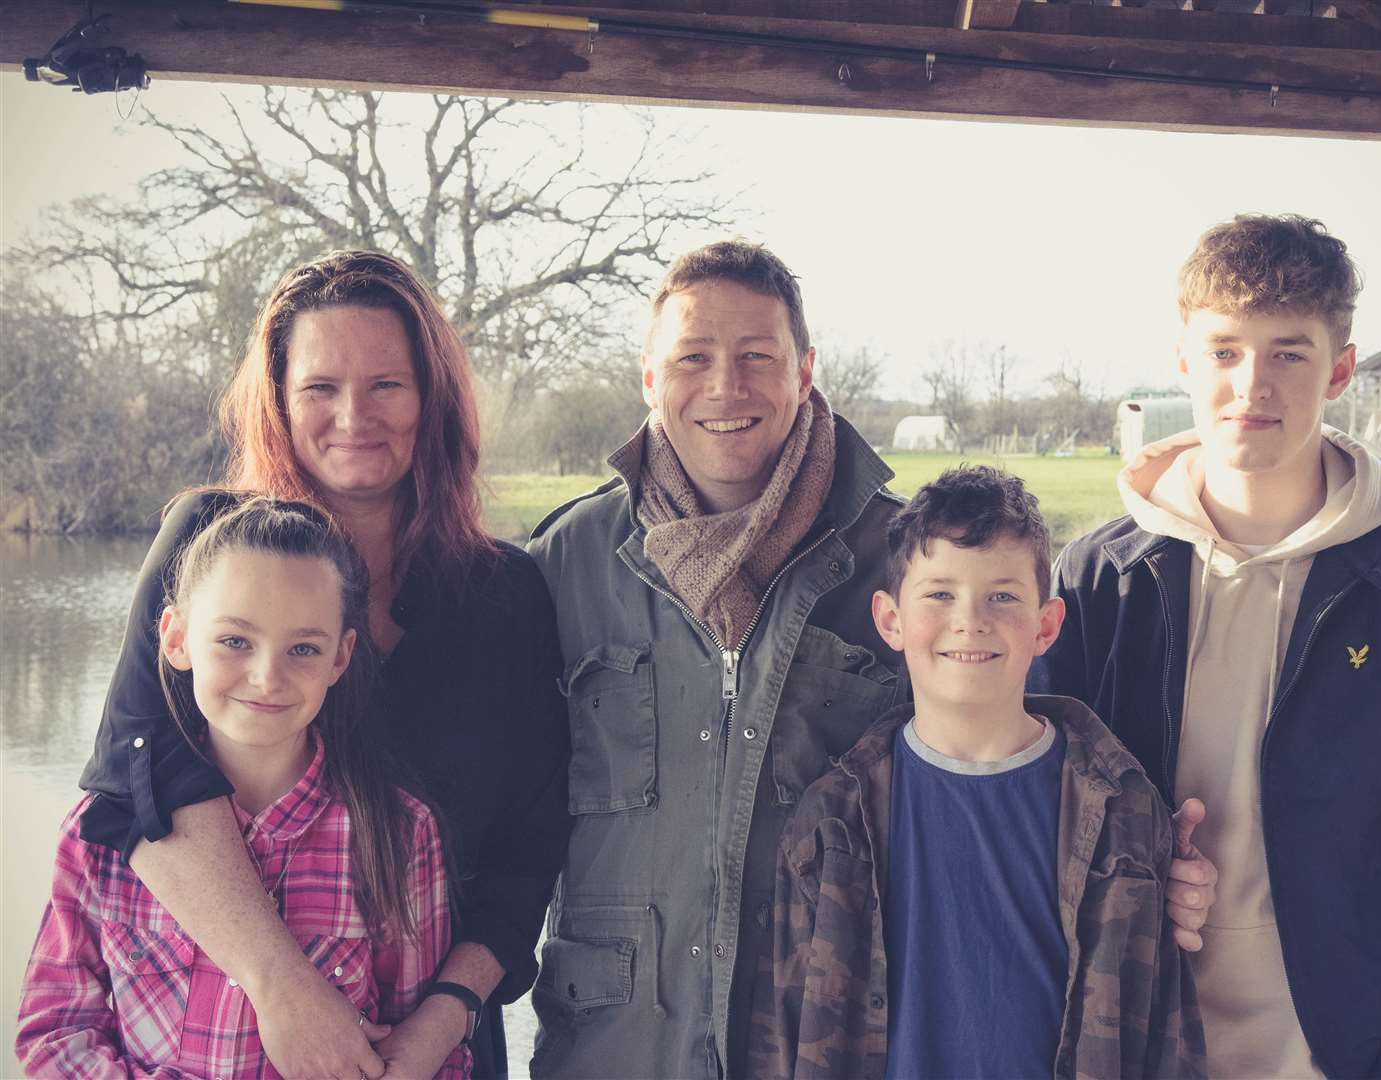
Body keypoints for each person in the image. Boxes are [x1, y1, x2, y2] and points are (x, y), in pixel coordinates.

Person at [526, 240, 1214, 1078]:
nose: (724, 387)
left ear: (806, 369)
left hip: (828, 1034)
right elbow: (506, 809)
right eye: (693, 357)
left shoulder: (900, 559)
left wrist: (1149, 868)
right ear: (647, 374)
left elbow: (1030, 762)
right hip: (621, 1046)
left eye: (757, 357)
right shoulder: (566, 563)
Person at [1036, 214, 1381, 1078]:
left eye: (1289, 353)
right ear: (1183, 360)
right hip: (1123, 1045)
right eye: (1225, 351)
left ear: (1341, 369)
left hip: (1340, 1056)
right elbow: (1031, 824)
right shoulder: (1099, 576)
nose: (1253, 384)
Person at [76, 251, 570, 1079]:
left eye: (386, 385)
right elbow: (139, 780)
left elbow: (527, 853)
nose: (353, 415)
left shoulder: (506, 594)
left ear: (431, 398)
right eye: (320, 388)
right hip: (216, 1034)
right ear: (279, 400)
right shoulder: (205, 544)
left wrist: (441, 1024)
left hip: (432, 1049)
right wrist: (283, 987)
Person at [750, 466, 1204, 1079]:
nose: (971, 620)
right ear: (890, 621)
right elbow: (781, 1030)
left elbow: (1165, 1031)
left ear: (1046, 624)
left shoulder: (1121, 810)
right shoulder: (833, 821)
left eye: (1003, 596)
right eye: (939, 594)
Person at [18, 499, 470, 1079]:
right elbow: (54, 1033)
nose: (266, 677)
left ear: (341, 656)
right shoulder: (101, 831)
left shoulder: (398, 835)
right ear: (176, 638)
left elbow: (432, 1057)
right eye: (235, 641)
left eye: (303, 648)